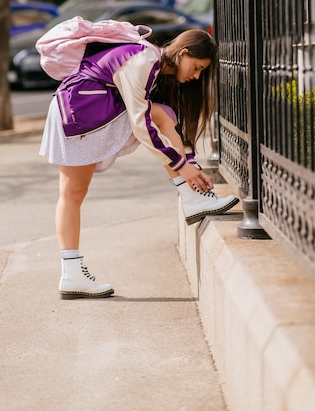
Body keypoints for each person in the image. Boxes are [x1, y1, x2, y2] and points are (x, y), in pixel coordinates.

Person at [39, 28, 239, 299]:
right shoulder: (144, 60)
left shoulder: (155, 69)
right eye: (197, 67)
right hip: (81, 108)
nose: (196, 76)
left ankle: (71, 273)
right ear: (183, 53)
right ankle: (192, 198)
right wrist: (183, 166)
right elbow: (142, 124)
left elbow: (169, 125)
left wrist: (189, 164)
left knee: (72, 195)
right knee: (73, 193)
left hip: (77, 107)